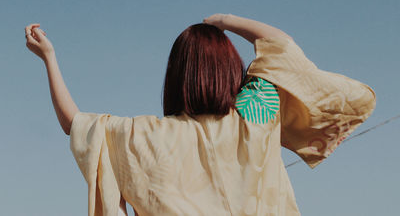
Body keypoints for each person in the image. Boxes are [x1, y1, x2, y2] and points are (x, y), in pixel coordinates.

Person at [25, 14, 376, 216]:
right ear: (231, 69)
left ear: (176, 75)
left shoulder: (149, 135)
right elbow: (282, 47)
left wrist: (49, 58)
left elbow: (75, 123)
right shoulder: (255, 113)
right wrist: (221, 20)